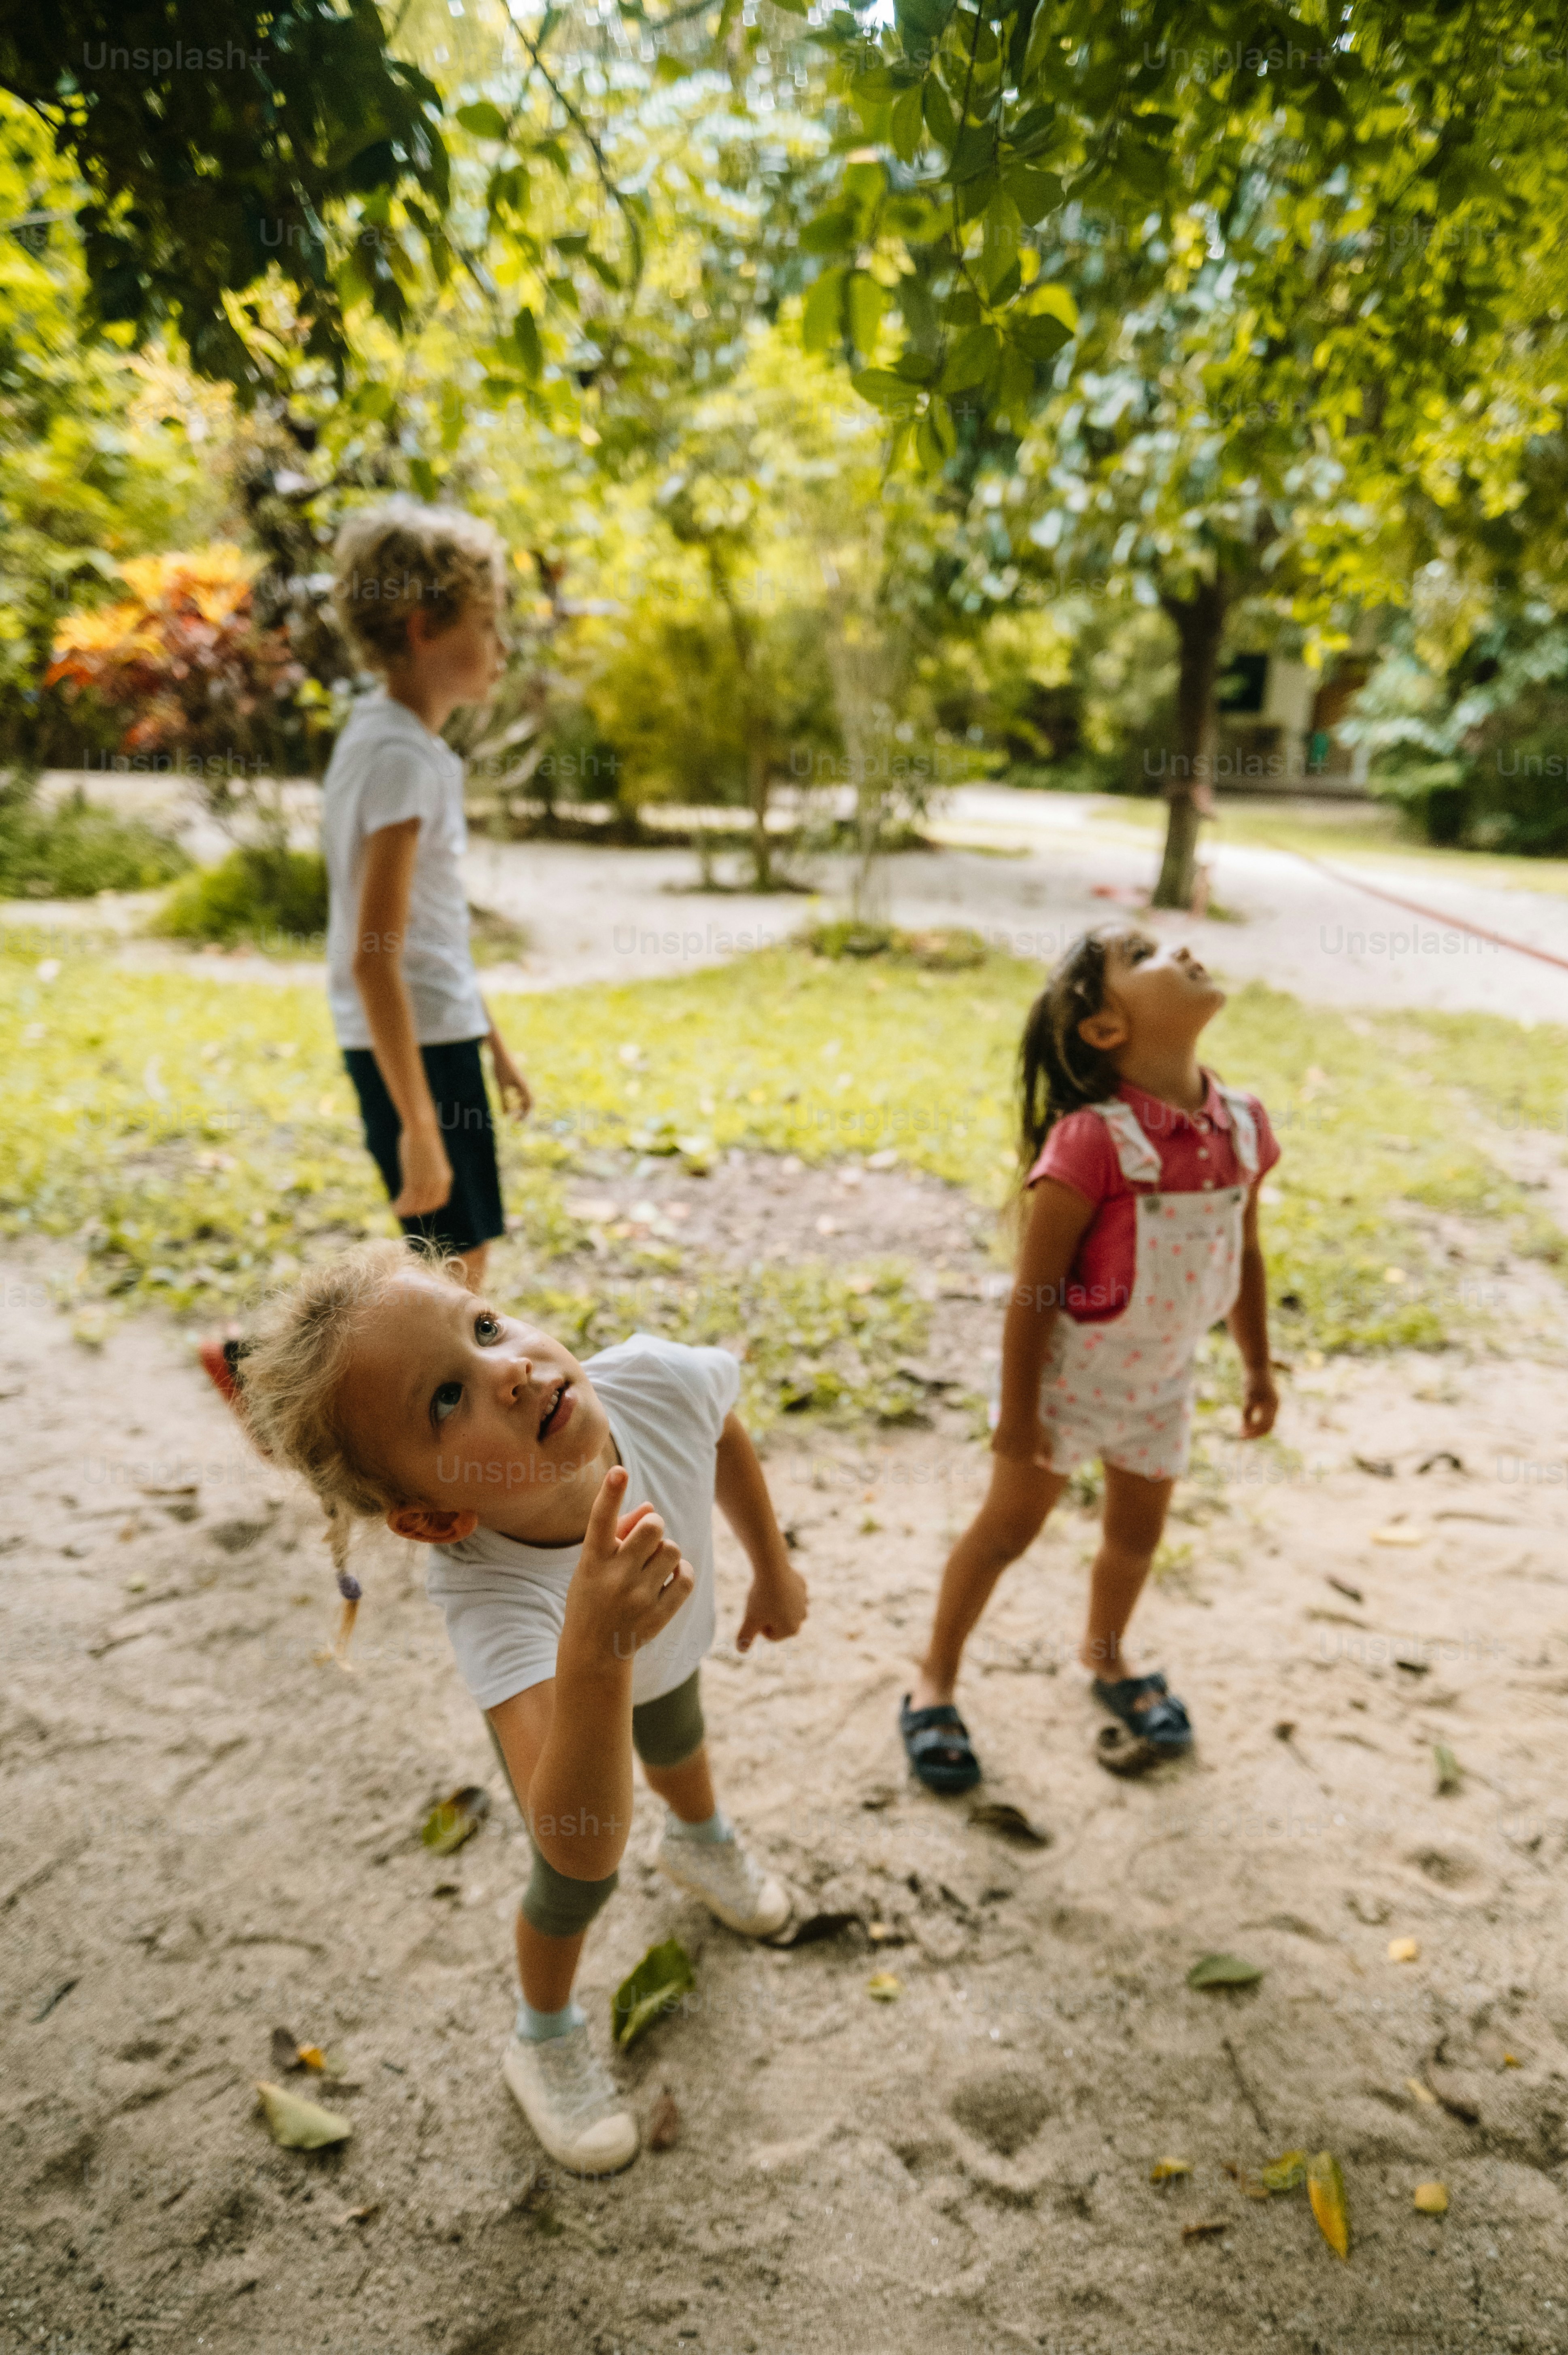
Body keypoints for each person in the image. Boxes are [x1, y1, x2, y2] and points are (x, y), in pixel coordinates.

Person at [239, 1240, 809, 2175]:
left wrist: (773, 1570)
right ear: (433, 1518)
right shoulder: (489, 1595)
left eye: (485, 1328)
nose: (507, 1373)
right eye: (445, 1399)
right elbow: (577, 1833)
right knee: (581, 1884)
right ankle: (541, 2036)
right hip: (571, 1738)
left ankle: (700, 1839)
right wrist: (595, 1646)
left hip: (670, 1659)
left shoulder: (654, 1381)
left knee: (678, 1737)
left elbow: (719, 1431)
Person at [898, 927, 1280, 1792]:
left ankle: (1106, 1660)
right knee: (1004, 1533)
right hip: (1067, 1385)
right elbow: (1031, 1297)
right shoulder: (1088, 1144)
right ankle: (933, 1682)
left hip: (1163, 1384)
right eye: (1141, 952)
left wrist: (1257, 1366)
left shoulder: (1244, 1126)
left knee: (1134, 1539)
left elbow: (1247, 1252)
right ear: (1103, 1028)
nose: (1178, 946)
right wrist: (1017, 1419)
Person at [200, 501, 529, 1411]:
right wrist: (421, 1121)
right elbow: (374, 954)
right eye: (486, 624)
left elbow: (430, 931)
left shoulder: (385, 742)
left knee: (445, 1257)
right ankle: (313, 1393)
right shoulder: (402, 759)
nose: (500, 646)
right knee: (451, 1268)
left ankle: (266, 1366)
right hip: (411, 1044)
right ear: (425, 628)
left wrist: (489, 1043)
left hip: (432, 1037)